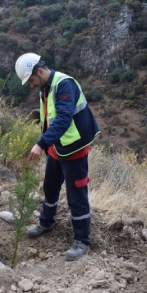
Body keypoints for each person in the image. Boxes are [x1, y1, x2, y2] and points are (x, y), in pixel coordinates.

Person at [15, 53, 100, 261]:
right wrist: (46, 142)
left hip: (75, 147)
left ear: (40, 71)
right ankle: (46, 222)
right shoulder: (45, 88)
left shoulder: (64, 85)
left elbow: (63, 118)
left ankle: (82, 240)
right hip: (57, 146)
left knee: (76, 195)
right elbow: (48, 119)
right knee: (50, 186)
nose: (31, 85)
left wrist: (41, 143)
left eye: (32, 80)